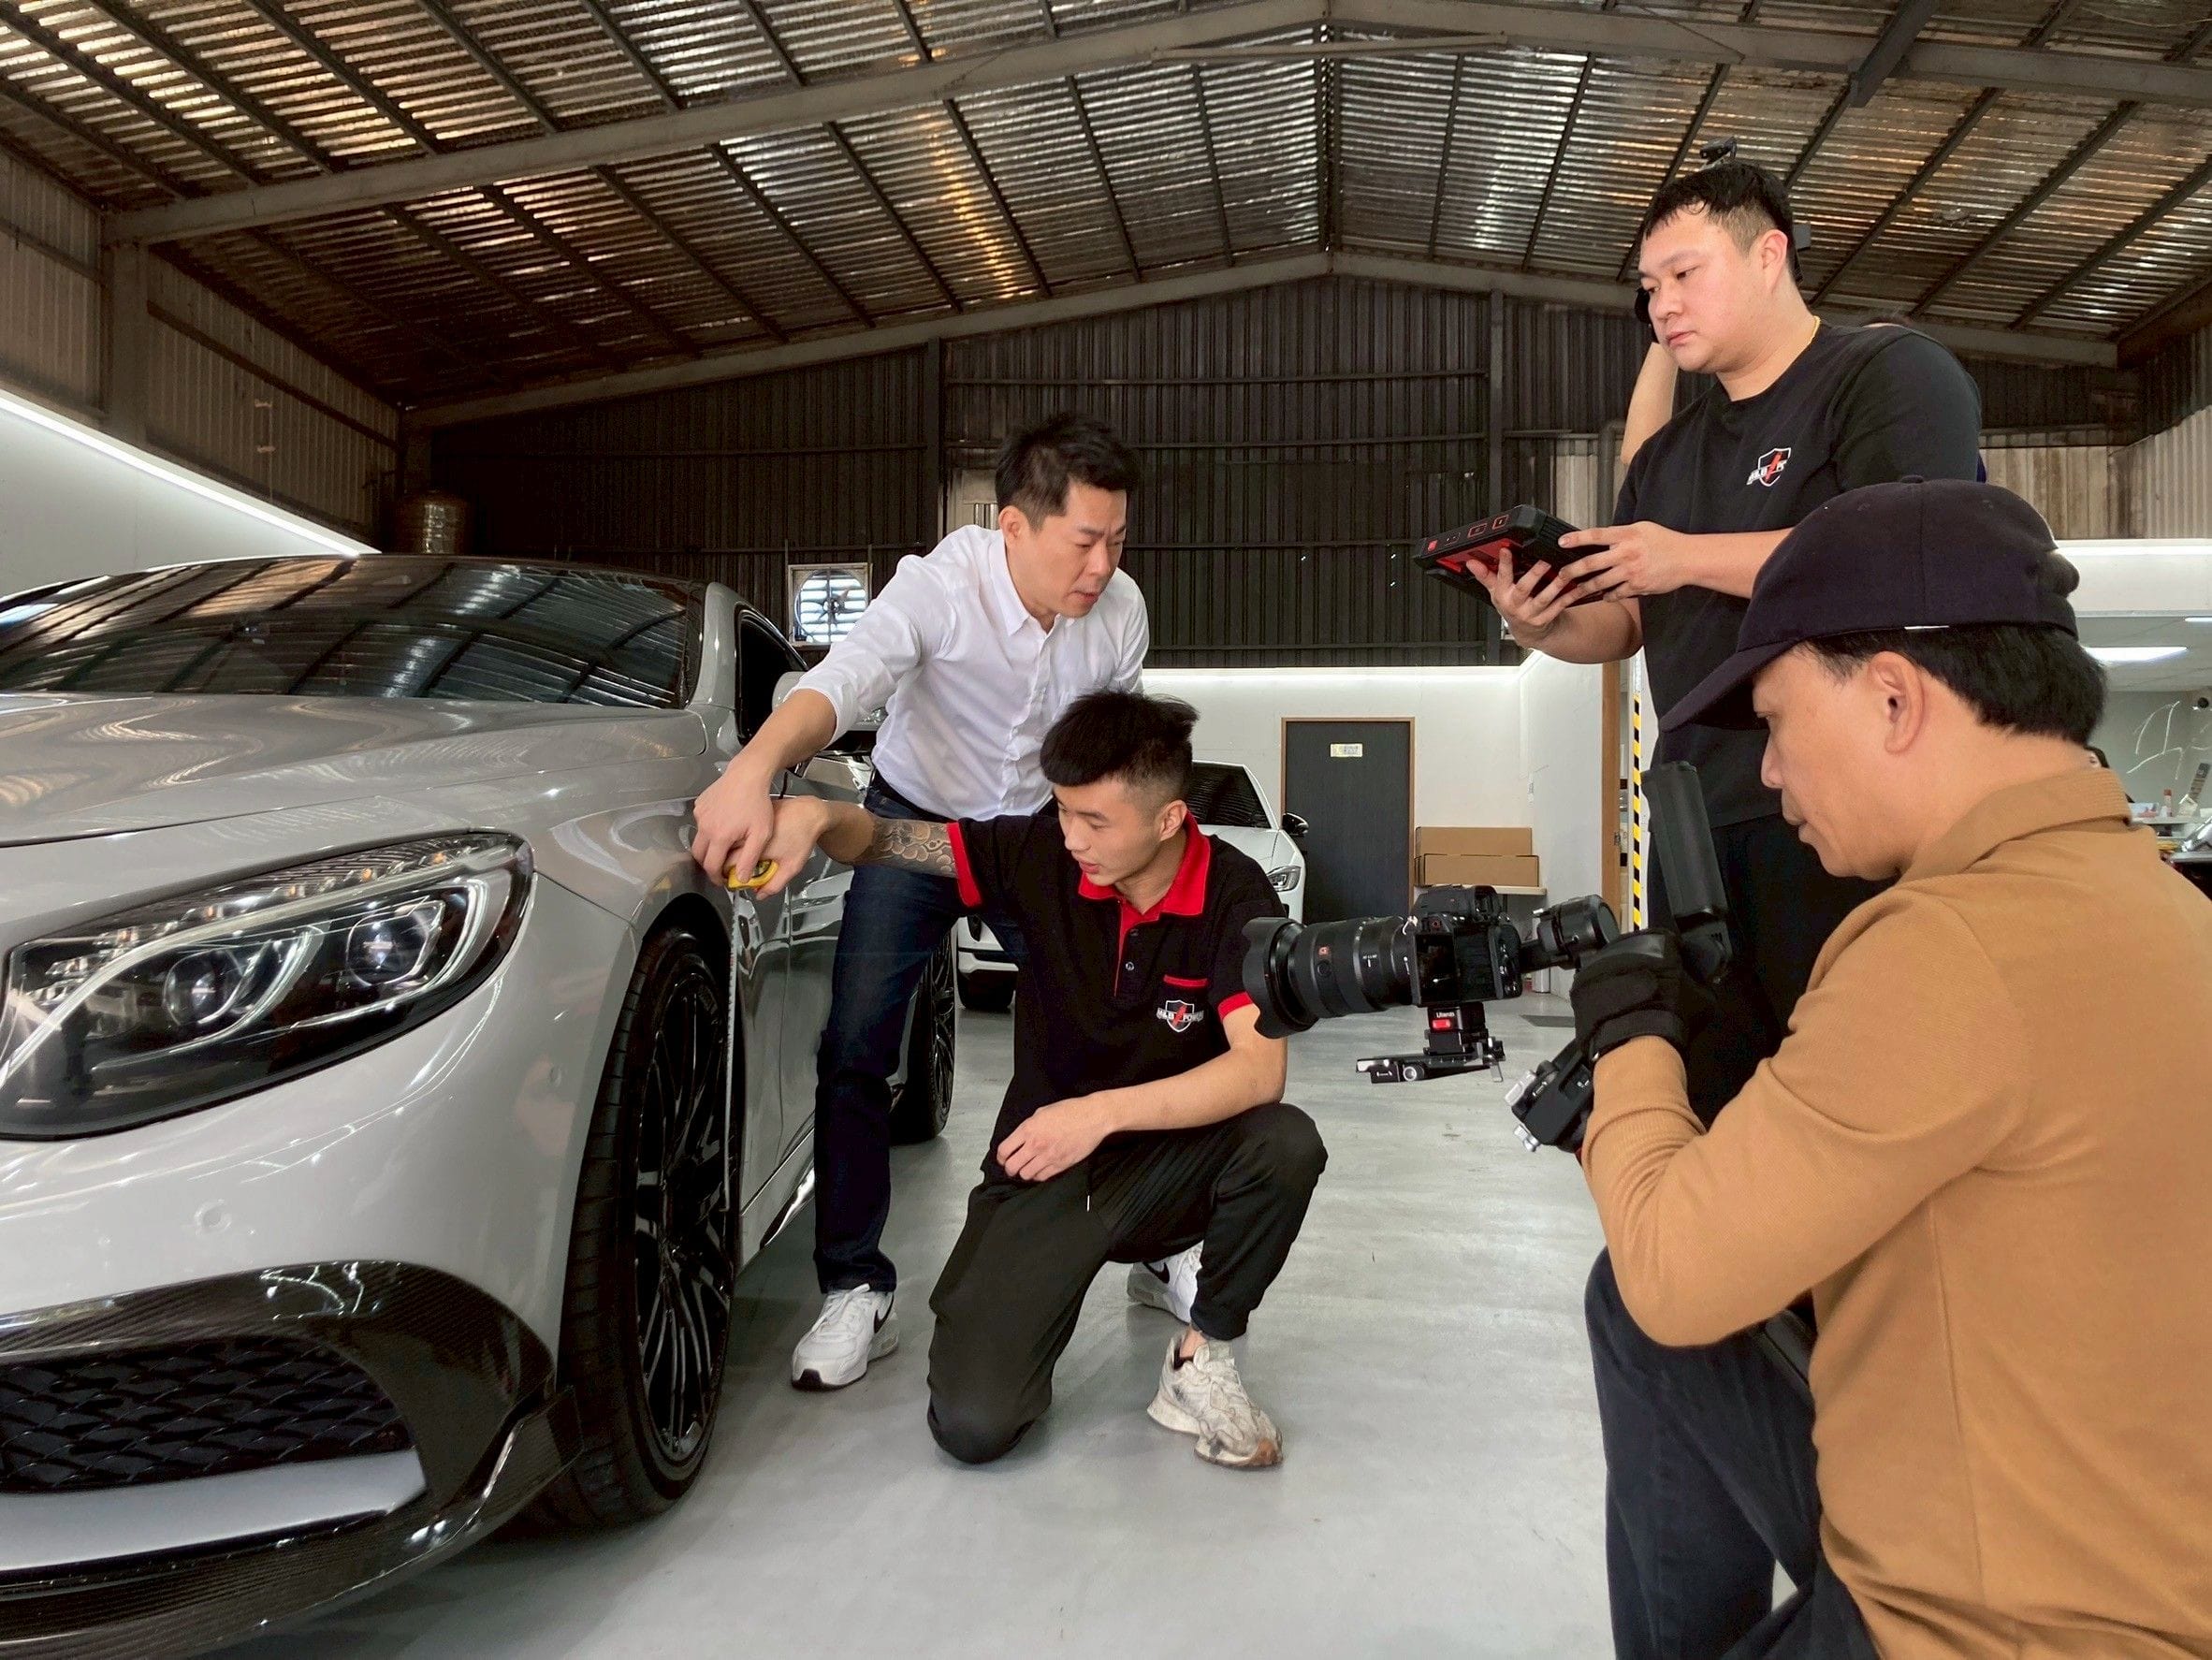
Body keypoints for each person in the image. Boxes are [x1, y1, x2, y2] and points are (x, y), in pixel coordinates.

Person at [1564, 479, 2212, 1657]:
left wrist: (1630, 1038)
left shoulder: (1949, 943)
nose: (1770, 773)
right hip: (2135, 1566)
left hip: (1977, 1625)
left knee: (1644, 1291)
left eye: (1776, 722)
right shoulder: (2165, 911)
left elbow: (1673, 1268)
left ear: (1896, 697)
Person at [1484, 156, 1984, 1124]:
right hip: (1693, 820)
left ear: (1768, 256)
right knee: (1716, 1093)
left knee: (1859, 1089)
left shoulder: (1885, 374)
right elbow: (1631, 620)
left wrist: (1683, 556)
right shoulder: (1669, 455)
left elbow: (1906, 552)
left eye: (1685, 274)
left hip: (1847, 804)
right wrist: (1542, 624)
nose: (1663, 305)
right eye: (1648, 287)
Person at [689, 412, 1150, 1391]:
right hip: (910, 826)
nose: (1103, 566)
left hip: (1037, 837)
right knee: (858, 1047)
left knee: (1120, 1028)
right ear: (1015, 526)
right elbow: (845, 682)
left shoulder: (1119, 613)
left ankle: (1158, 1242)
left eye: (1118, 540)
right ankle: (855, 1286)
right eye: (1085, 541)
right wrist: (754, 770)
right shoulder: (938, 586)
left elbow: (1116, 752)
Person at [753, 692, 1326, 1468]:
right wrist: (823, 819)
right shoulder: (1039, 853)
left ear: (1168, 819)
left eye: (1096, 821)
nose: (1073, 837)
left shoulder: (1235, 894)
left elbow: (1259, 1073)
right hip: (1046, 1167)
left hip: (1169, 1164)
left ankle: (1200, 1357)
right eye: (1062, 810)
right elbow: (894, 843)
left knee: (1285, 1144)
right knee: (974, 1425)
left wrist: (1097, 1114)